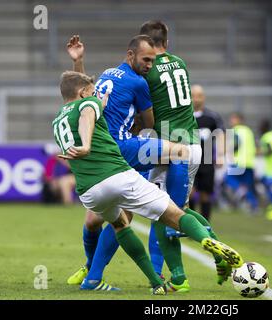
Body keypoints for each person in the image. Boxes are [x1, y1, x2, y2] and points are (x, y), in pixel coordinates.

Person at [52, 70, 243, 294]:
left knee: (120, 225)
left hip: (89, 192)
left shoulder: (58, 119)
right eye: (92, 92)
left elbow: (82, 98)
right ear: (84, 93)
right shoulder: (89, 104)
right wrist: (86, 143)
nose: (97, 94)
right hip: (118, 174)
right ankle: (207, 242)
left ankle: (132, 279)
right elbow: (87, 112)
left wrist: (79, 68)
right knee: (175, 212)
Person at [65, 35, 195, 290]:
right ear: (130, 55)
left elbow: (84, 95)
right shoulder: (138, 83)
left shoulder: (107, 74)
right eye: (146, 59)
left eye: (152, 60)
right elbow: (149, 124)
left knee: (94, 221)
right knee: (179, 154)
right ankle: (177, 217)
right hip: (120, 149)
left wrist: (79, 61)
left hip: (100, 152)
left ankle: (90, 270)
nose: (149, 65)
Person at [139, 20, 233, 290]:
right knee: (180, 211)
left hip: (170, 148)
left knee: (165, 214)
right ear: (166, 43)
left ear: (145, 44)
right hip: (192, 146)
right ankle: (216, 249)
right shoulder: (180, 62)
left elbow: (148, 116)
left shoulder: (148, 70)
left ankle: (179, 277)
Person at [188, 84, 225, 221]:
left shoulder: (212, 117)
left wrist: (220, 155)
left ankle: (206, 226)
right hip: (189, 160)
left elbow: (221, 135)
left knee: (205, 194)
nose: (196, 99)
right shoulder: (184, 116)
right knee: (189, 193)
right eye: (193, 96)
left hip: (207, 161)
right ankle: (192, 226)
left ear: (204, 98)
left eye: (199, 96)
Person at [223, 112, 258, 213]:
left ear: (238, 120)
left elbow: (236, 144)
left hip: (238, 162)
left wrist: (229, 151)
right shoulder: (249, 131)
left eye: (233, 119)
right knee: (249, 186)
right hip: (249, 162)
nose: (231, 121)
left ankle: (240, 191)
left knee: (228, 179)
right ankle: (254, 207)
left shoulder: (235, 130)